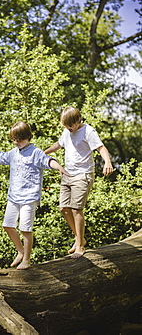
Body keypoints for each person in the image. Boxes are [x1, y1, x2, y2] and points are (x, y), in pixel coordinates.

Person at [0, 121, 70, 270]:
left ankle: (27, 260)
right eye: (14, 139)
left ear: (28, 137)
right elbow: (0, 157)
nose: (16, 142)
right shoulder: (13, 153)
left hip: (29, 198)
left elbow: (48, 161)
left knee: (25, 229)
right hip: (13, 197)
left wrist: (60, 168)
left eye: (20, 139)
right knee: (8, 225)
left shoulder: (35, 152)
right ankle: (20, 251)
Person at [44, 106, 113, 258]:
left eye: (70, 126)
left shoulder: (88, 131)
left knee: (76, 209)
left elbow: (101, 148)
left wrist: (107, 162)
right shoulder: (67, 131)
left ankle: (80, 246)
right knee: (64, 208)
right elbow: (58, 144)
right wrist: (43, 153)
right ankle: (79, 237)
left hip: (83, 175)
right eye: (66, 127)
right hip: (68, 174)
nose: (69, 129)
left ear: (78, 120)